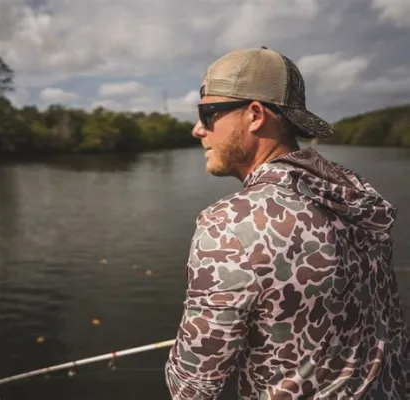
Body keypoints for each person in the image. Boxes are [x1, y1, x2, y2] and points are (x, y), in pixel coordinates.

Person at [164, 47, 409, 399]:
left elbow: (191, 387)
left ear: (254, 115)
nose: (197, 129)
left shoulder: (230, 226)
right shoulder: (356, 196)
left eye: (208, 113)